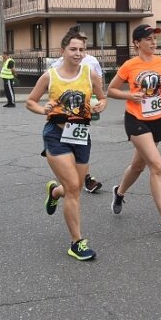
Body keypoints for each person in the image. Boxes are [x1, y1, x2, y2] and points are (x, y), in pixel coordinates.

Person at [26, 27, 107, 261]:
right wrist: (44, 109)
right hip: (56, 134)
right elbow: (30, 101)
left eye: (82, 49)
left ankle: (54, 191)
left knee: (75, 187)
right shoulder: (50, 75)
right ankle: (76, 242)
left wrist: (101, 104)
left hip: (81, 135)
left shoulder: (90, 73)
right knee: (73, 187)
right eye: (73, 49)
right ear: (63, 51)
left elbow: (102, 98)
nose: (78, 53)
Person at [106, 24, 161, 233]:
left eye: (154, 38)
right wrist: (129, 95)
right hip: (135, 119)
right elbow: (111, 90)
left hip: (157, 119)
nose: (153, 42)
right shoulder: (130, 65)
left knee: (138, 166)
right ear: (137, 43)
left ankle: (119, 192)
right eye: (148, 39)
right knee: (157, 166)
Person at [50, 27, 103, 193]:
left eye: (84, 42)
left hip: (85, 108)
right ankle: (82, 178)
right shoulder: (57, 64)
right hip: (64, 114)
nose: (80, 49)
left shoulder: (92, 61)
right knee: (69, 146)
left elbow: (99, 85)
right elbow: (52, 90)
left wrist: (98, 102)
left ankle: (79, 177)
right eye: (79, 41)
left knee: (79, 140)